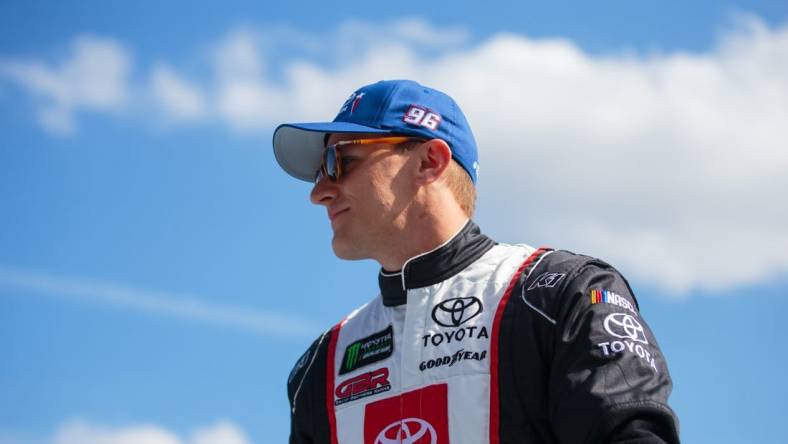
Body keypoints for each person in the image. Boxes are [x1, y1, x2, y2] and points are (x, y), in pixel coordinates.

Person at [273, 79, 679, 444]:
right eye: (317, 172)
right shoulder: (324, 364)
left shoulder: (556, 293)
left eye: (337, 161)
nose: (319, 191)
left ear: (429, 161)